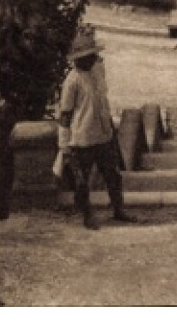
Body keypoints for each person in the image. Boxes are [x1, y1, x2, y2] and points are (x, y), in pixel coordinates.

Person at [58, 26, 136, 231]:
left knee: (113, 175)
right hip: (81, 139)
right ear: (78, 59)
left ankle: (119, 210)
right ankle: (87, 215)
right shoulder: (71, 82)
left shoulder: (99, 71)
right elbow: (65, 115)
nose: (92, 59)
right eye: (88, 57)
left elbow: (103, 101)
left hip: (104, 134)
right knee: (82, 181)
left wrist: (111, 129)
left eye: (93, 55)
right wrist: (64, 145)